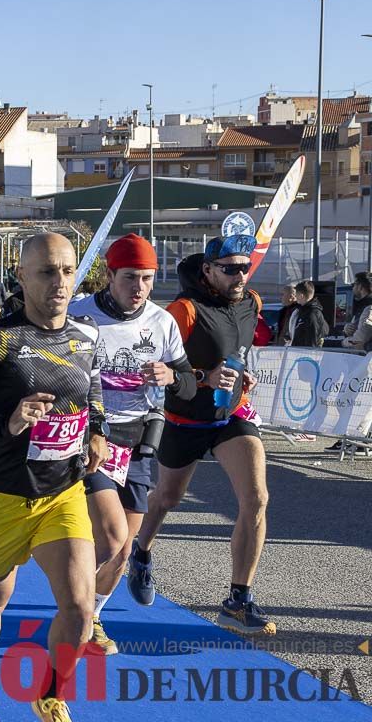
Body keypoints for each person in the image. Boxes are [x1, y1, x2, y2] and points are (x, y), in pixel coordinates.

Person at [0, 232, 108, 722]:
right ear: (22, 276)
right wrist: (7, 424)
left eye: (69, 271)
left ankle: (51, 695)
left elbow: (91, 393)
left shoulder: (86, 336)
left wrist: (97, 429)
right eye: (48, 272)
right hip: (2, 495)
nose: (60, 282)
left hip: (62, 493)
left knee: (79, 607)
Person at [130, 234, 277, 637]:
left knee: (257, 498)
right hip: (184, 419)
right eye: (230, 268)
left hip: (230, 415)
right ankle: (141, 552)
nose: (240, 275)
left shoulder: (253, 303)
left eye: (244, 267)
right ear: (207, 270)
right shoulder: (184, 310)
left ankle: (237, 600)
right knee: (167, 498)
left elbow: (240, 348)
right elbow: (155, 367)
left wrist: (241, 377)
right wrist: (202, 376)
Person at [67, 234, 195, 656]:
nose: (139, 288)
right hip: (92, 438)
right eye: (130, 278)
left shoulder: (162, 322)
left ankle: (93, 617)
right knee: (110, 535)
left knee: (123, 552)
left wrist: (172, 378)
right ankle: (75, 613)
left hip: (139, 442)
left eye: (147, 278)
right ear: (110, 276)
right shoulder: (80, 315)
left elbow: (189, 384)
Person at [288, 280, 328, 347]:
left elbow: (312, 338)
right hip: (298, 352)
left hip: (305, 354)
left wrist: (308, 354)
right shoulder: (301, 311)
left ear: (301, 295)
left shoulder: (312, 314)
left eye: (296, 294)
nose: (295, 297)